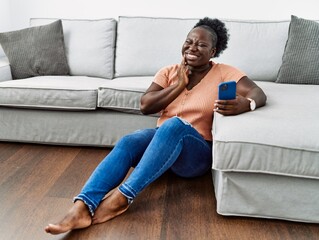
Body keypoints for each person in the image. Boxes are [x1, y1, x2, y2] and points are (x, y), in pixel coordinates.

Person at [45, 17, 267, 235]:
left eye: (201, 44)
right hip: (160, 147)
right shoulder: (169, 71)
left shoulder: (224, 72)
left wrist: (247, 103)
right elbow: (145, 105)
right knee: (129, 141)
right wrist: (179, 84)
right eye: (189, 41)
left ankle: (122, 198)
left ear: (213, 51)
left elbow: (258, 93)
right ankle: (82, 207)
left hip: (195, 155)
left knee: (174, 126)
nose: (193, 48)